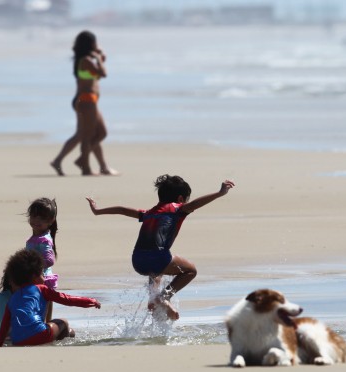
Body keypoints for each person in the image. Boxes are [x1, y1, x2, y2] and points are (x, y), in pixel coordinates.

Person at [86, 175, 235, 320]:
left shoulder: (148, 213)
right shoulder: (178, 209)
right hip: (159, 258)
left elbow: (122, 209)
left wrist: (98, 211)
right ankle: (164, 298)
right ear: (180, 199)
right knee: (190, 270)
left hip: (137, 260)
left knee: (156, 274)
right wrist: (220, 193)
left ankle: (153, 302)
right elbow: (196, 204)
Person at [0, 249, 101, 347]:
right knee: (63, 322)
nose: (44, 278)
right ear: (35, 277)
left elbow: (3, 330)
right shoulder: (42, 289)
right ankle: (61, 348)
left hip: (18, 341)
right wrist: (91, 301)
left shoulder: (12, 300)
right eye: (42, 274)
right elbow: (67, 299)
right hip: (40, 334)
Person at [50, 30, 117, 177]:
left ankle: (66, 160)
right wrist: (98, 57)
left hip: (88, 100)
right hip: (86, 100)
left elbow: (100, 64)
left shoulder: (86, 59)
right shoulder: (86, 60)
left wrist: (100, 54)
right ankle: (85, 167)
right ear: (90, 44)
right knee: (87, 136)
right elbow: (102, 73)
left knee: (97, 133)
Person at [25, 197, 59, 322]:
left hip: (43, 279)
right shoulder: (36, 237)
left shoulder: (43, 240)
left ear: (50, 221)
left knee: (43, 313)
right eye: (34, 216)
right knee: (39, 309)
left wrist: (32, 265)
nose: (36, 220)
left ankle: (45, 330)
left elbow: (49, 260)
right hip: (35, 278)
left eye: (42, 218)